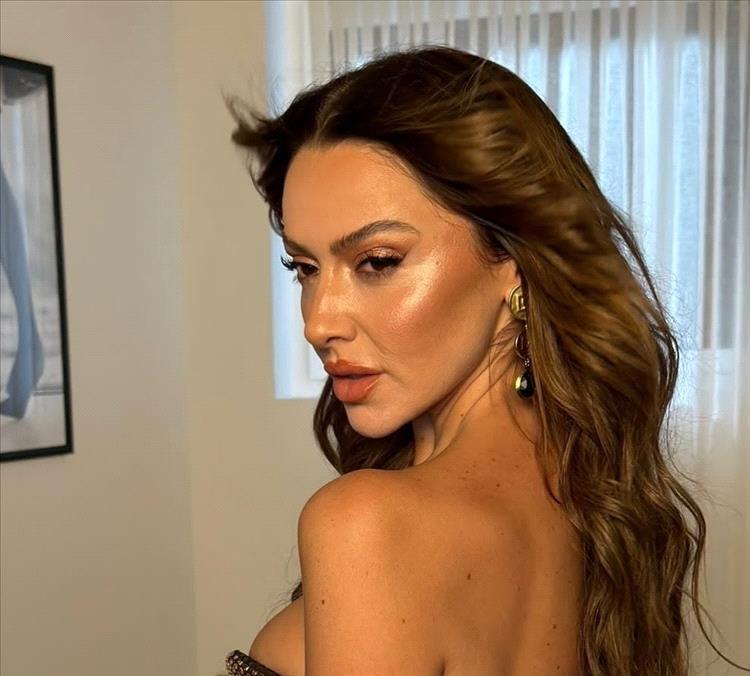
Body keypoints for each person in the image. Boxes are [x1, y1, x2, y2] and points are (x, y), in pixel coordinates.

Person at [221, 45, 745, 676]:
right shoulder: (594, 502)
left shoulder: (367, 525)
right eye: (304, 267)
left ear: (512, 259)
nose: (318, 321)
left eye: (377, 262)